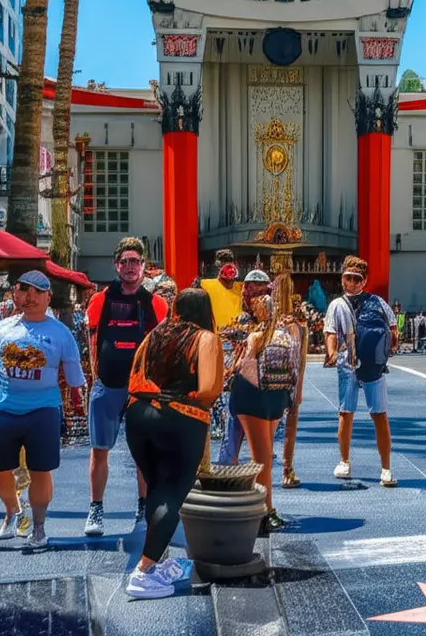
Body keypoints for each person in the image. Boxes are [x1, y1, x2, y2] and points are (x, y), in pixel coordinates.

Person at [125, 288, 224, 599]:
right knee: (172, 491)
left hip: (137, 415)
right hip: (180, 419)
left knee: (156, 487)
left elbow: (134, 377)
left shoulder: (153, 335)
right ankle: (143, 570)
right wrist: (191, 396)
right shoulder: (205, 338)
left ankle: (153, 563)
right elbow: (209, 389)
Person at [0, 271, 85, 548]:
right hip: (4, 407)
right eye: (24, 290)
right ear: (15, 295)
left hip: (44, 409)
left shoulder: (60, 332)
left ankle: (39, 527)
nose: (30, 297)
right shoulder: (1, 329)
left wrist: (78, 400)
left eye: (37, 292)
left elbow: (74, 373)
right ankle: (14, 513)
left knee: (40, 469)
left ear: (48, 297)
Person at [84, 237, 168, 538]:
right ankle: (96, 508)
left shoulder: (156, 303)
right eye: (125, 262)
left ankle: (144, 505)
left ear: (144, 266)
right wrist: (95, 378)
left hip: (142, 390)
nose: (130, 267)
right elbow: (91, 339)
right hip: (108, 386)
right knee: (99, 450)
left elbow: (162, 346)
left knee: (143, 451)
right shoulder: (100, 300)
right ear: (116, 265)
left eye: (135, 261)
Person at [227, 290, 300, 532]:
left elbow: (244, 366)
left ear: (259, 313)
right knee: (265, 454)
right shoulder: (288, 335)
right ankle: (265, 509)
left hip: (253, 396)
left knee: (261, 457)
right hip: (276, 397)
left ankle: (263, 511)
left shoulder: (255, 337)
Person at [324, 255, 398, 487]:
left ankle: (386, 468)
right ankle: (344, 460)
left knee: (379, 414)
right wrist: (332, 352)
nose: (352, 282)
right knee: (346, 413)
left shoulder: (378, 302)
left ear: (364, 280)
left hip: (372, 367)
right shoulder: (337, 305)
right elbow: (330, 332)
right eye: (348, 278)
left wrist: (389, 347)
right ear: (342, 279)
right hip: (347, 366)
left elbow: (393, 327)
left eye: (357, 279)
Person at [217, 269, 272, 466]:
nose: (255, 294)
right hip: (245, 375)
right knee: (235, 415)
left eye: (260, 291)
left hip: (263, 374)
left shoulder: (273, 324)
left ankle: (239, 456)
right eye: (251, 289)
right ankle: (230, 457)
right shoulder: (243, 320)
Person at [281, 293, 309, 489]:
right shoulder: (298, 326)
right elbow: (299, 362)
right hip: (290, 381)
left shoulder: (271, 323)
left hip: (269, 381)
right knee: (289, 424)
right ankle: (287, 469)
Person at [200, 253, 243, 331]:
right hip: (216, 337)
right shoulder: (204, 285)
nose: (228, 265)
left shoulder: (242, 287)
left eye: (230, 261)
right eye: (223, 262)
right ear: (217, 265)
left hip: (239, 338)